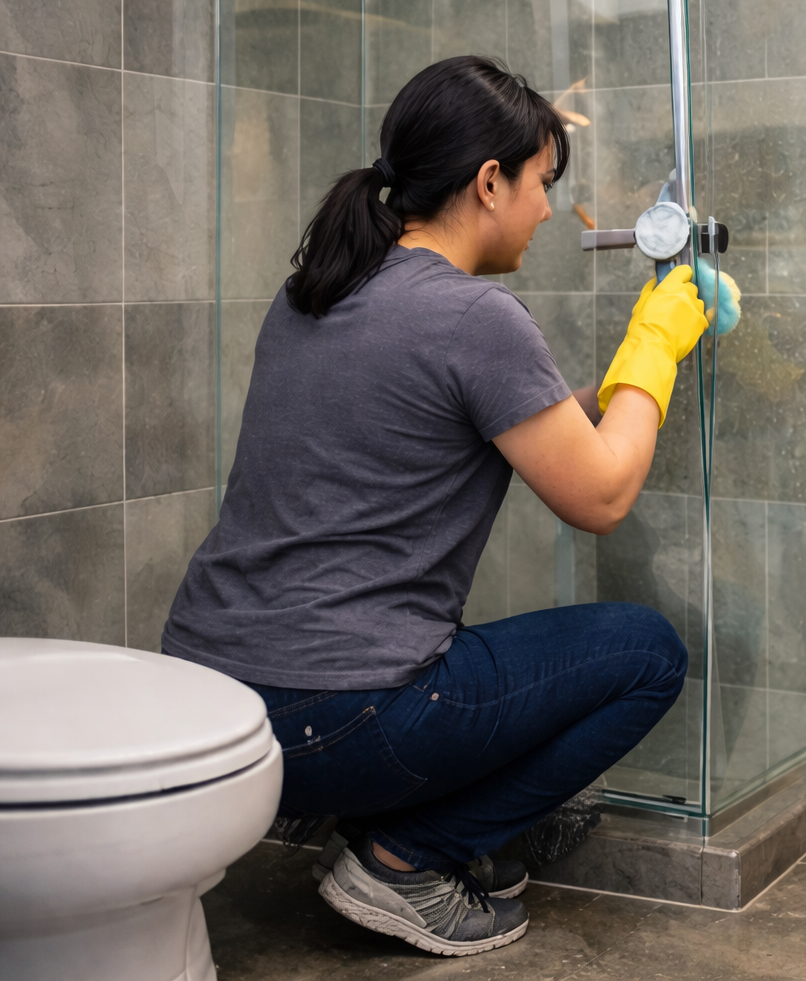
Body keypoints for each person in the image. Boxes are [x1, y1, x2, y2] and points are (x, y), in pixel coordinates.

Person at [161, 56, 709, 957]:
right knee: (645, 653)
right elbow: (602, 493)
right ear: (489, 182)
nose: (543, 208)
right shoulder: (473, 318)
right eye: (540, 184)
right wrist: (654, 347)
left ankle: (344, 808)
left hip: (217, 702)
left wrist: (613, 383)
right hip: (338, 719)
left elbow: (496, 425)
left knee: (451, 656)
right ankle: (407, 857)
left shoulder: (313, 293)